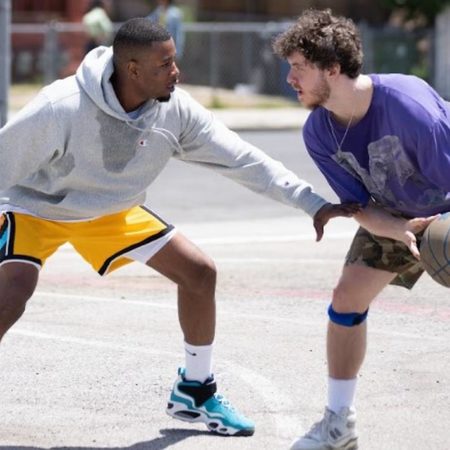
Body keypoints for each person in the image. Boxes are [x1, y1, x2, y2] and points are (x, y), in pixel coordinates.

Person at [0, 18, 358, 437]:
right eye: (165, 64)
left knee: (199, 273)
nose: (176, 72)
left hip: (112, 212)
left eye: (175, 61)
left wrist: (311, 203)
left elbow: (243, 159)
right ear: (132, 69)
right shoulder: (60, 107)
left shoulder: (175, 111)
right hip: (38, 208)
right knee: (13, 292)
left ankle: (195, 392)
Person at [273, 8, 449, 450]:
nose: (290, 79)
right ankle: (339, 424)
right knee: (346, 297)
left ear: (333, 68)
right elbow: (359, 207)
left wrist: (437, 230)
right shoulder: (318, 131)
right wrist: (402, 228)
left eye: (299, 67)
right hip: (397, 212)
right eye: (290, 67)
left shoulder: (408, 108)